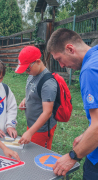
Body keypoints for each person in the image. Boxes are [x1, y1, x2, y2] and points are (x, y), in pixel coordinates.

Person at [47, 28, 98, 179]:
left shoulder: (90, 70)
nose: (61, 65)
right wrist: (86, 134)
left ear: (70, 49)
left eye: (59, 59)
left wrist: (72, 156)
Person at [15, 46, 57, 150]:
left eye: (27, 68)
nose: (26, 72)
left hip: (41, 129)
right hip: (33, 125)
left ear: (38, 61)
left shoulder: (48, 84)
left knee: (39, 156)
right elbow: (34, 93)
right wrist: (26, 100)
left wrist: (30, 132)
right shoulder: (32, 74)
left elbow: (47, 112)